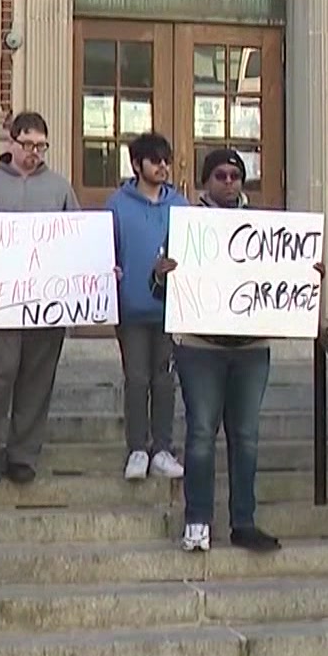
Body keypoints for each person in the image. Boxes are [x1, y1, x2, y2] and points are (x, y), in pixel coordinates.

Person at [154, 148, 283, 553]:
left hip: (250, 346)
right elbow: (159, 290)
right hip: (199, 346)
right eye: (221, 176)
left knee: (246, 436)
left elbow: (280, 278)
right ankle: (197, 520)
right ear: (207, 181)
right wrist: (161, 275)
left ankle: (243, 520)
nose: (229, 183)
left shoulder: (264, 227)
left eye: (235, 176)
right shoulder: (186, 226)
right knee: (200, 435)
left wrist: (306, 277)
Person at [0, 111, 81, 484]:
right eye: (27, 144)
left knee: (37, 379)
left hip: (47, 304)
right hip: (0, 302)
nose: (34, 152)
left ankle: (23, 454)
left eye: (40, 146)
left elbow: (78, 240)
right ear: (10, 142)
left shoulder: (60, 188)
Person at [106, 131, 187, 482]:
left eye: (166, 159)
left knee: (165, 380)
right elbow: (103, 251)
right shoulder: (117, 205)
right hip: (132, 308)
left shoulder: (181, 206)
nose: (163, 166)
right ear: (137, 165)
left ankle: (163, 448)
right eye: (155, 160)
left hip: (171, 310)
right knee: (136, 378)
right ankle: (137, 447)